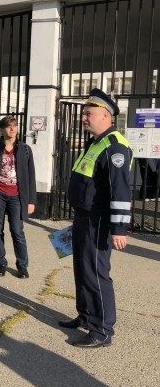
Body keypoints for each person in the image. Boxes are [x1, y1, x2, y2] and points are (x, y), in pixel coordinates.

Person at [58, 89, 132, 348]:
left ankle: (101, 330)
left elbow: (120, 190)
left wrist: (119, 228)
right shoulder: (95, 143)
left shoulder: (114, 146)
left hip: (98, 220)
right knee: (82, 269)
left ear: (105, 115)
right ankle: (86, 315)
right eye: (83, 114)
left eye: (88, 113)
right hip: (83, 217)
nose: (83, 118)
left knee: (96, 273)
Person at [0, 116, 37, 279]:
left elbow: (31, 175)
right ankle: (1, 263)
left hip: (17, 196)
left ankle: (22, 265)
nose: (12, 129)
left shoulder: (25, 149)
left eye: (15, 126)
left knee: (17, 231)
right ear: (2, 129)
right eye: (9, 126)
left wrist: (31, 201)